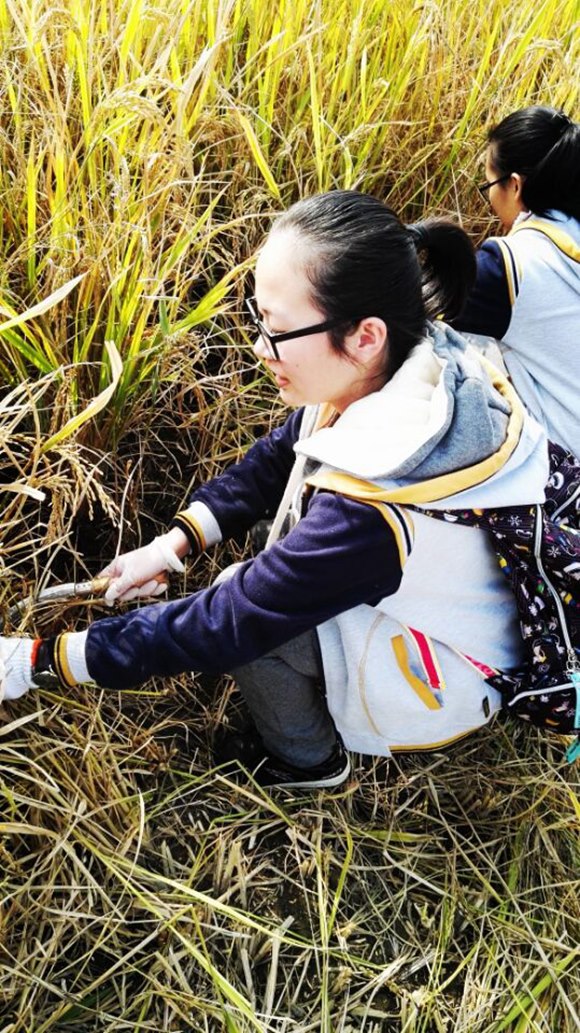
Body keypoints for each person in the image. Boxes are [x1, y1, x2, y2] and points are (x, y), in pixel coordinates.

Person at [0, 191, 550, 790]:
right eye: (257, 317)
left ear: (364, 335)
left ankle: (306, 762)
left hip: (449, 668)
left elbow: (228, 622)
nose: (261, 347)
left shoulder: (376, 509)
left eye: (279, 330)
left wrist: (40, 661)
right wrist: (171, 547)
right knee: (272, 544)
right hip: (455, 603)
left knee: (246, 611)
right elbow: (277, 457)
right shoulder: (414, 363)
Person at [453, 105, 580, 457]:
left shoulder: (511, 268)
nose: (490, 199)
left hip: (568, 480)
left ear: (514, 185)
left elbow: (405, 306)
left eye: (489, 185)